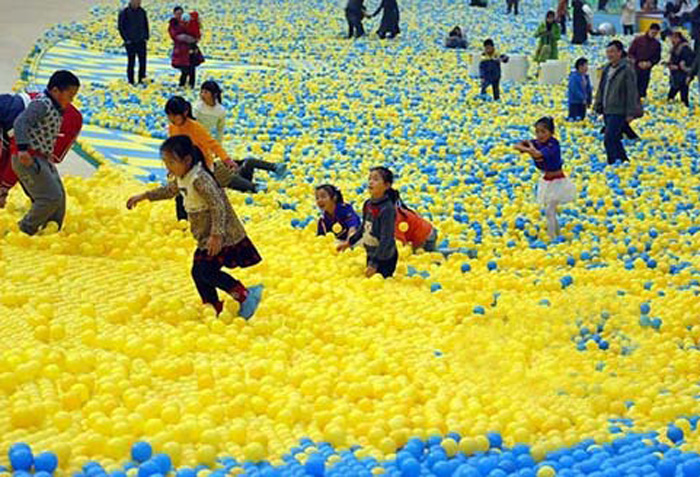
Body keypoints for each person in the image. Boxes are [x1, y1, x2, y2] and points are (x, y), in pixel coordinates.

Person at [127, 136, 264, 319]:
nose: (168, 167)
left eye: (171, 162)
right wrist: (144, 196)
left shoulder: (199, 179)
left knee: (206, 270)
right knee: (198, 272)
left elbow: (218, 205)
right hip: (205, 234)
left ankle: (244, 295)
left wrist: (216, 235)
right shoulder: (183, 178)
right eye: (165, 162)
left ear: (187, 160)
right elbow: (168, 191)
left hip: (222, 233)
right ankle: (213, 305)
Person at [166, 97, 285, 209]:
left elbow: (212, 144)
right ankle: (184, 220)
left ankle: (257, 183)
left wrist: (226, 159)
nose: (171, 119)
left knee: (222, 179)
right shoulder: (172, 128)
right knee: (183, 193)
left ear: (185, 112)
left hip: (203, 166)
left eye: (174, 115)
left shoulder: (195, 127)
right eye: (169, 115)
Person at [10, 71, 80, 235]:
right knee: (50, 197)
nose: (71, 100)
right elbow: (20, 123)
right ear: (55, 90)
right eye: (70, 95)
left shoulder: (56, 107)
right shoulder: (42, 104)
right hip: (28, 157)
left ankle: (50, 230)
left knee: (59, 199)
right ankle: (24, 229)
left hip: (42, 158)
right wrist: (22, 150)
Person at [0, 92, 82, 209]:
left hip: (64, 123)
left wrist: (4, 188)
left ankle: (43, 212)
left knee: (37, 170)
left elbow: (19, 156)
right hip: (26, 117)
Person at [514, 117, 576, 240]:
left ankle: (552, 237)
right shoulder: (537, 143)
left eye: (543, 132)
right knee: (550, 209)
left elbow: (538, 154)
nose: (540, 135)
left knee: (549, 210)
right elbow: (517, 146)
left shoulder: (553, 144)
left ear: (551, 133)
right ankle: (557, 233)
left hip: (558, 181)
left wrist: (530, 150)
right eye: (537, 132)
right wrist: (529, 147)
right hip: (547, 180)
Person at [337, 167, 398, 279]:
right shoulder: (368, 204)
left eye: (375, 179)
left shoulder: (387, 209)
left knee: (381, 283)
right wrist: (349, 242)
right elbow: (363, 228)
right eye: (369, 179)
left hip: (385, 257)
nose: (370, 182)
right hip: (371, 253)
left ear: (386, 185)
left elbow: (386, 239)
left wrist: (374, 264)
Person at [593, 40, 641, 164]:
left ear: (620, 52)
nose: (610, 55)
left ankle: (612, 162)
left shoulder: (626, 69)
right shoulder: (607, 68)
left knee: (609, 138)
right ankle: (623, 160)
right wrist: (598, 104)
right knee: (614, 138)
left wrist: (631, 112)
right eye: (608, 52)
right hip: (607, 108)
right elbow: (602, 88)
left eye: (613, 52)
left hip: (619, 109)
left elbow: (632, 91)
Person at [169, 6, 203, 89]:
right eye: (177, 14)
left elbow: (196, 34)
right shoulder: (173, 24)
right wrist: (188, 38)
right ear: (174, 14)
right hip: (180, 50)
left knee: (192, 68)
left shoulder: (188, 21)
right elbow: (175, 35)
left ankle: (191, 85)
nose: (179, 15)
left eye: (181, 13)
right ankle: (182, 84)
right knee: (184, 69)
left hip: (190, 49)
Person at [118, 0, 149, 86]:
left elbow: (145, 24)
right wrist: (126, 39)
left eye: (139, 2)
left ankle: (141, 79)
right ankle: (131, 80)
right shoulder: (124, 12)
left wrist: (146, 37)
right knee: (131, 62)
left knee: (143, 62)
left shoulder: (142, 11)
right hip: (130, 42)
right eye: (136, 2)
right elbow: (121, 27)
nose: (138, 3)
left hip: (141, 41)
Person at [628, 24, 662, 99]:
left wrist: (650, 63)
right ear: (649, 30)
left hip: (647, 68)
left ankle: (641, 100)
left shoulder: (656, 44)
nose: (653, 35)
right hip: (635, 67)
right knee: (633, 85)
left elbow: (657, 57)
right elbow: (630, 53)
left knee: (643, 86)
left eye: (655, 33)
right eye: (653, 32)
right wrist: (637, 62)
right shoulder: (638, 40)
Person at [666, 31, 695, 107]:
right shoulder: (676, 47)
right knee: (675, 91)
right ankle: (681, 105)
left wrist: (678, 67)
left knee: (682, 92)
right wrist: (669, 63)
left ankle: (684, 106)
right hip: (676, 75)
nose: (672, 40)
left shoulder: (684, 48)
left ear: (678, 38)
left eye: (673, 38)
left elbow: (689, 62)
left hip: (682, 75)